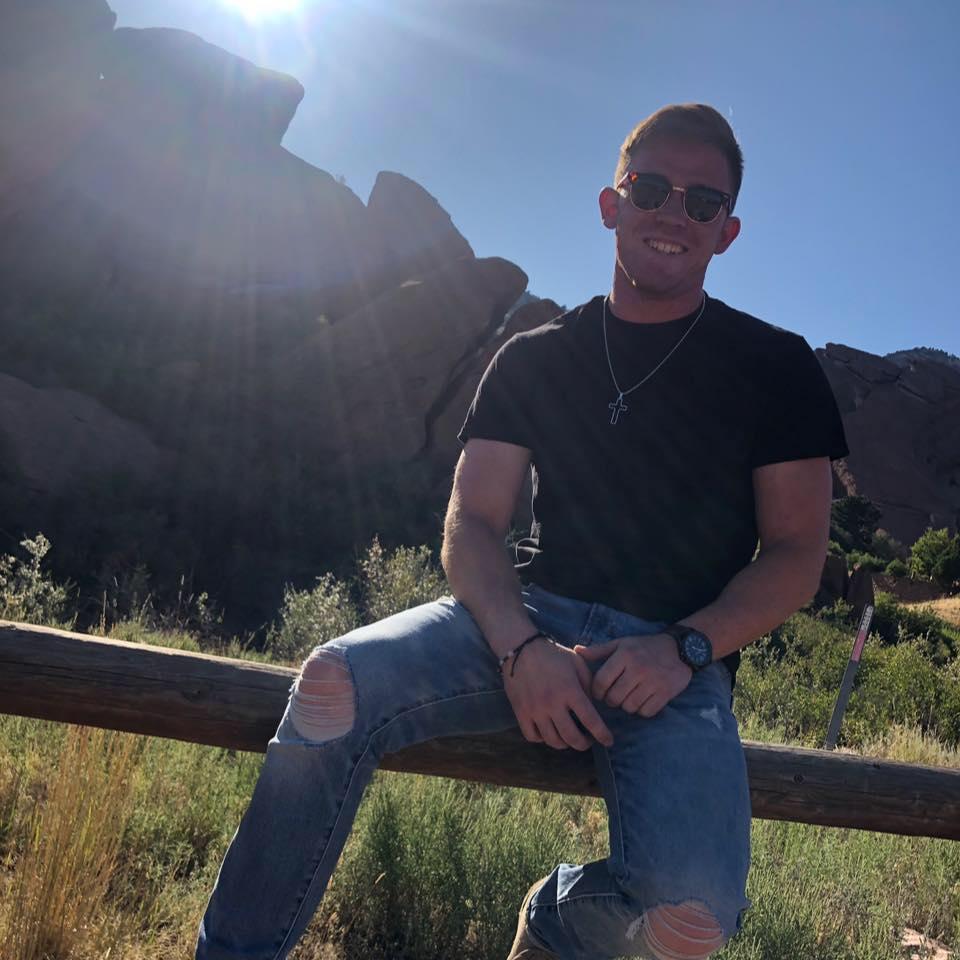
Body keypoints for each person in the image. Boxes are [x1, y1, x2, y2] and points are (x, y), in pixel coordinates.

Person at [196, 103, 849, 960]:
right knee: (330, 687)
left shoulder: (776, 366)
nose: (673, 213)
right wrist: (519, 648)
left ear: (726, 232)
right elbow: (472, 521)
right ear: (612, 204)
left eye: (702, 201)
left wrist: (684, 649)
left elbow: (796, 555)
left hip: (675, 660)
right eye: (651, 188)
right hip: (527, 619)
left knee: (689, 920)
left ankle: (554, 918)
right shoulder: (535, 357)